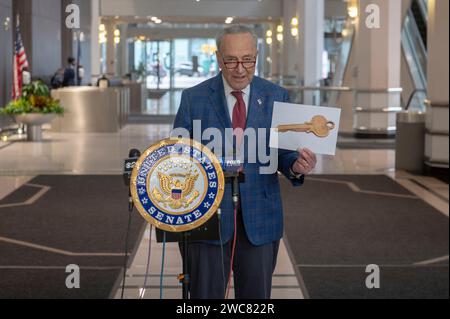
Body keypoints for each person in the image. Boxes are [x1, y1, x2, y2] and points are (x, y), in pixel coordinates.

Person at [173, 25, 317, 299]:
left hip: (260, 219)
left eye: (248, 59)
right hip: (207, 219)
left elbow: (283, 153)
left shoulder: (277, 96)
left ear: (257, 56)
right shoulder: (193, 99)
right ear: (218, 58)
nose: (240, 68)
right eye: (231, 60)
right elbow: (179, 157)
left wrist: (296, 165)